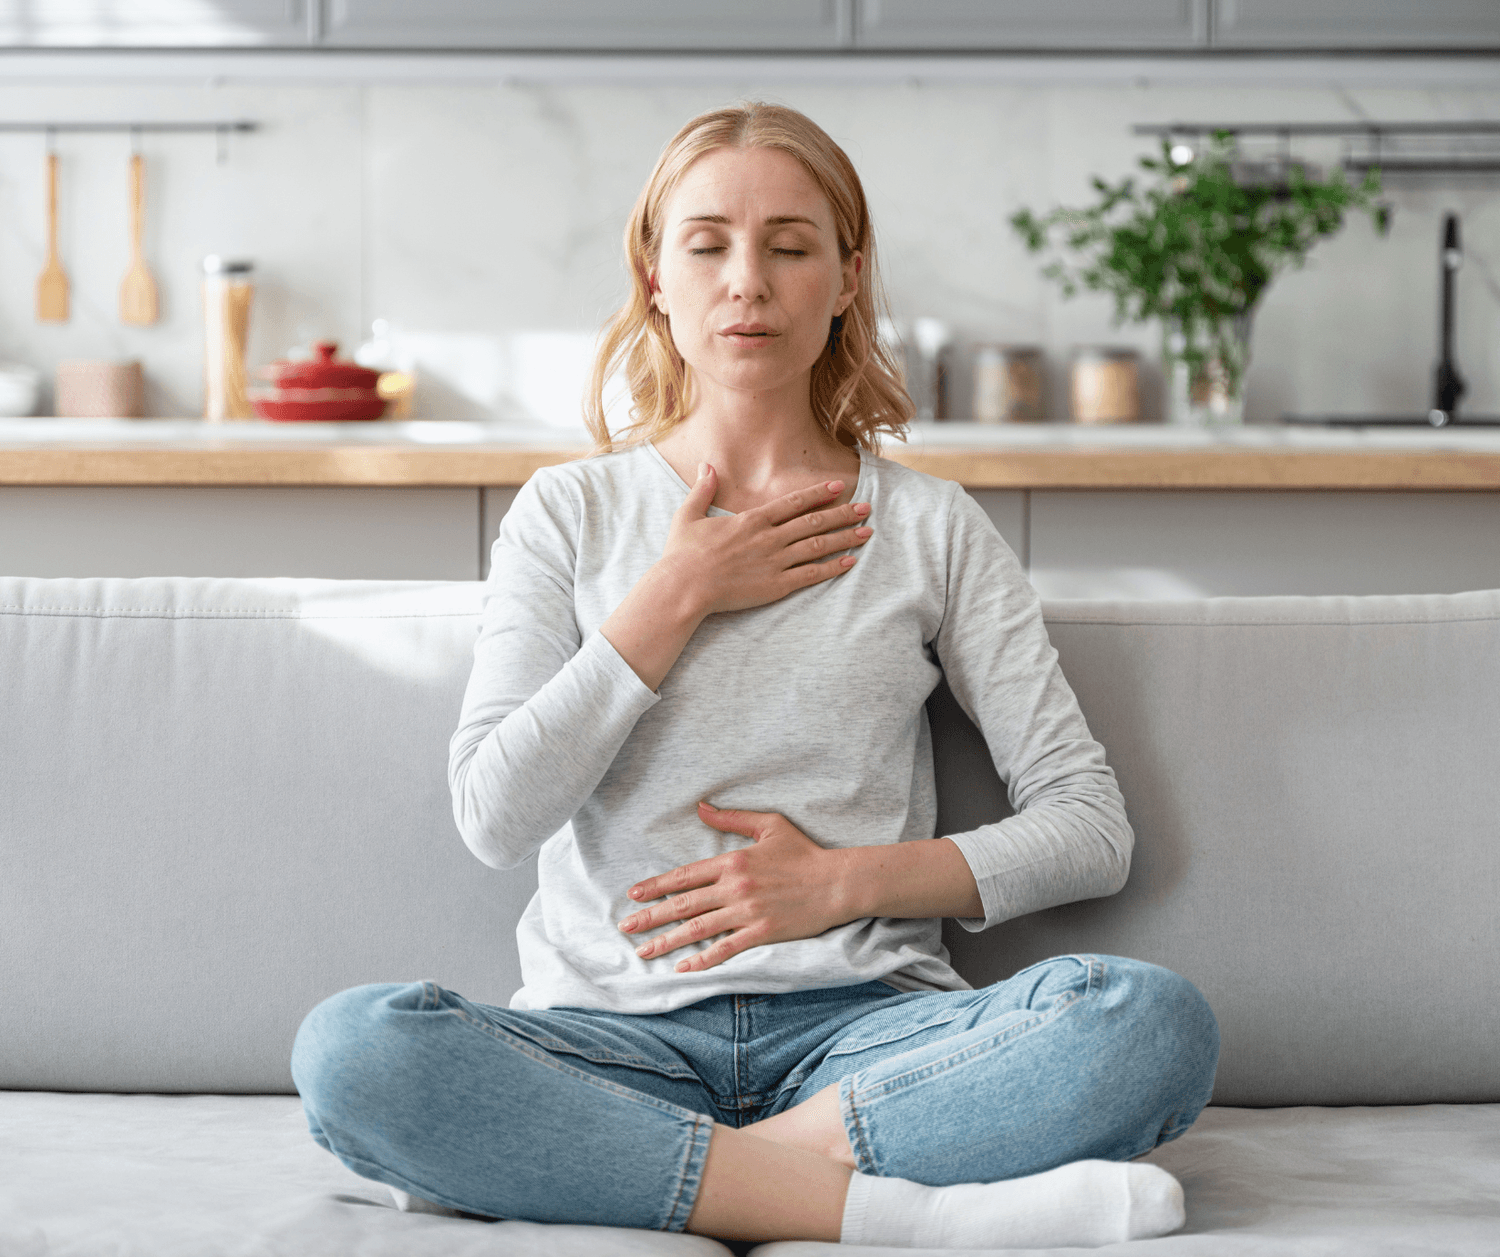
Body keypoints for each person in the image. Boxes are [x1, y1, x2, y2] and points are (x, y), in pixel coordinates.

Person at [291, 101, 1219, 1249]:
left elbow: (1089, 827)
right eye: (708, 244)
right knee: (353, 1052)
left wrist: (843, 884)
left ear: (845, 279)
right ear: (654, 274)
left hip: (866, 1041)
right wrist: (673, 595)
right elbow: (495, 815)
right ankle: (905, 1216)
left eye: (790, 247)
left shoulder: (929, 527)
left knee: (1148, 1024)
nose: (749, 282)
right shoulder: (568, 515)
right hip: (611, 1040)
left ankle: (610, 1171)